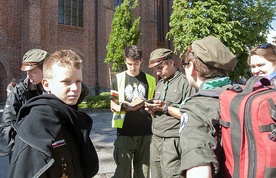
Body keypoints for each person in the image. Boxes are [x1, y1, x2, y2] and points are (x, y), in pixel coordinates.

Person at [8, 49, 99, 178]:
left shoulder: (70, 117)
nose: (75, 88)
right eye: (66, 81)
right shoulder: (35, 127)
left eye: (78, 81)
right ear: (46, 84)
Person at [179, 36, 237, 178]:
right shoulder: (242, 94)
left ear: (192, 68)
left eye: (185, 64)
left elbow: (200, 172)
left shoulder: (195, 108)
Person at [144, 48, 195, 178]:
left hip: (173, 141)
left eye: (161, 67)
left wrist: (165, 108)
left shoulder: (185, 83)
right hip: (156, 139)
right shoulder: (160, 84)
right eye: (156, 69)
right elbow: (160, 110)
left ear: (171, 62)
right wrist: (152, 109)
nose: (158, 72)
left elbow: (189, 116)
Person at [110, 45, 156, 178]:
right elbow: (113, 105)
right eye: (129, 64)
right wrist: (126, 108)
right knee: (122, 172)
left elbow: (153, 100)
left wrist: (150, 106)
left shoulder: (150, 80)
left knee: (143, 173)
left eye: (136, 63)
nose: (133, 67)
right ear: (125, 60)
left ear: (141, 61)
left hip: (146, 132)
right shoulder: (117, 79)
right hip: (124, 131)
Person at [0, 49, 49, 150]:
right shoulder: (18, 92)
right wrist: (21, 146)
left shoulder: (56, 88)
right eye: (27, 72)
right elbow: (6, 126)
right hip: (27, 151)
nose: (28, 76)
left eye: (32, 71)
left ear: (46, 70)